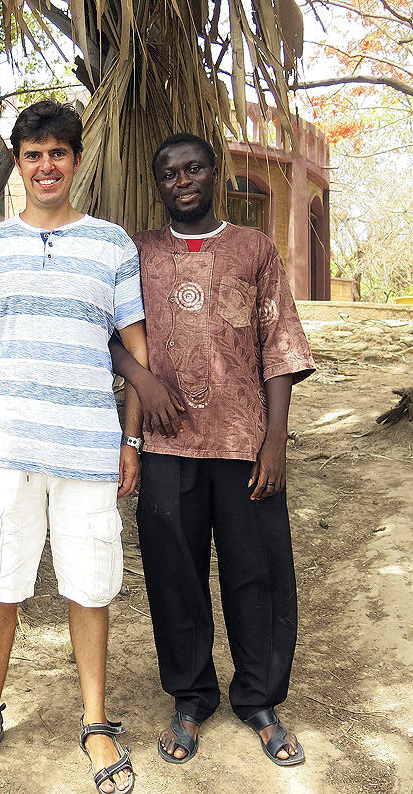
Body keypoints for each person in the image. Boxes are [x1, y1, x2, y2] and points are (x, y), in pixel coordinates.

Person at [0, 100, 150, 793]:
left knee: (89, 587)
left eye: (58, 153)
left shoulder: (111, 244)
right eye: (33, 155)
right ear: (18, 165)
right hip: (4, 448)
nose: (45, 166)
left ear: (76, 161)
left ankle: (94, 722)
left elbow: (135, 349)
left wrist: (131, 438)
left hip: (89, 446)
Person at [131, 133, 315, 767]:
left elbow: (280, 346)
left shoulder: (254, 248)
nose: (183, 180)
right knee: (174, 574)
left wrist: (276, 442)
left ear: (216, 174)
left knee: (256, 572)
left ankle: (260, 699)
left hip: (243, 444)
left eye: (194, 168)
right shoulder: (140, 252)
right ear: (157, 184)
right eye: (169, 172)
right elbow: (107, 330)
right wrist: (144, 381)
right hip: (166, 446)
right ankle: (190, 697)